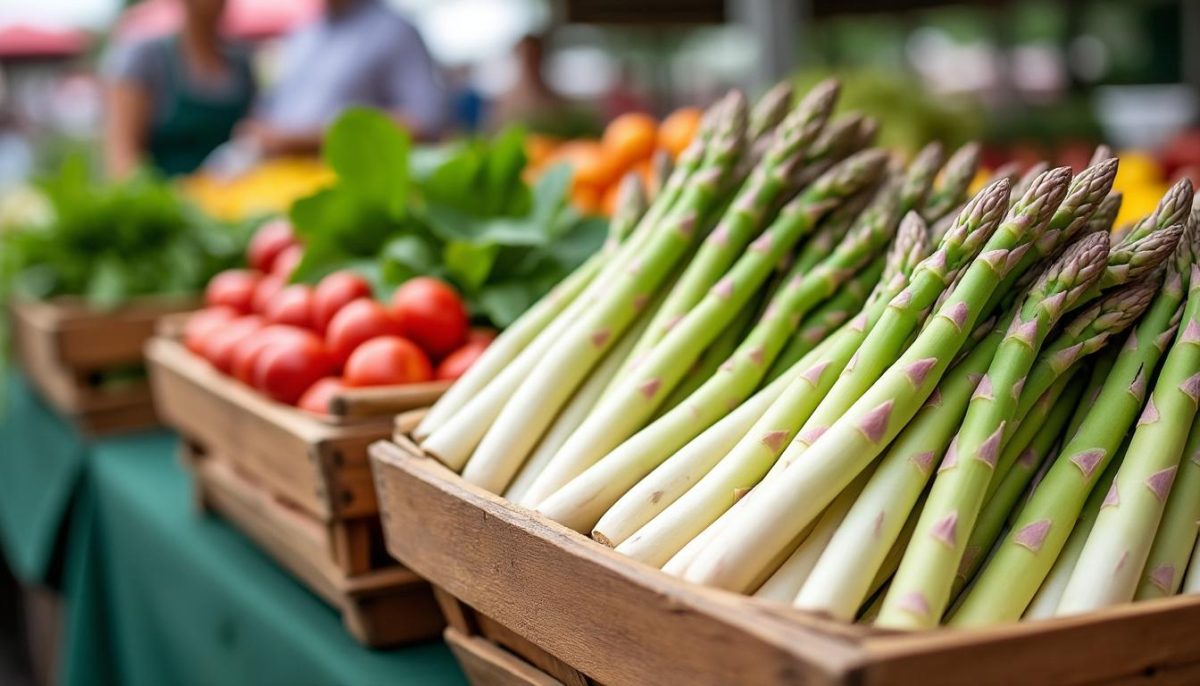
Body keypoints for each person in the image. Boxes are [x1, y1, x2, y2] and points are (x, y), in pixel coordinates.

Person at [241, 0, 446, 155]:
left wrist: (313, 139)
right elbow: (272, 110)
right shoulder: (302, 33)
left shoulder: (395, 31)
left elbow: (426, 122)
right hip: (277, 181)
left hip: (346, 185)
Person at [102, 0, 255, 177]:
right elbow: (122, 160)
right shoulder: (146, 58)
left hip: (233, 198)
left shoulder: (241, 65)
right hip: (163, 198)